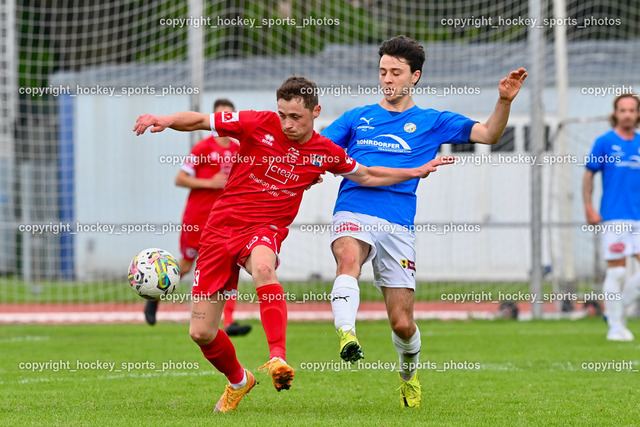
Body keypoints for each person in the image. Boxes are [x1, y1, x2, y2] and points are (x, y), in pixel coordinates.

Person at [133, 75, 454, 413]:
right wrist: (164, 120)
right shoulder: (257, 123)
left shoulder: (324, 152)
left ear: (316, 111)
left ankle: (278, 358)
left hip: (264, 229)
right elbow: (201, 120)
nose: (286, 123)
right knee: (201, 332)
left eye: (295, 117)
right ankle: (239, 381)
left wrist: (416, 170)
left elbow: (369, 175)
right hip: (219, 230)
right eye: (282, 115)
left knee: (262, 267)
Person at [320, 35, 527, 408]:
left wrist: (503, 101)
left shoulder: (433, 121)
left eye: (396, 72)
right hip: (352, 209)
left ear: (414, 76)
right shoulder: (357, 117)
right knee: (347, 260)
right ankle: (347, 335)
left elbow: (488, 134)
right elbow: (320, 150)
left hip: (398, 224)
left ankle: (408, 375)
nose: (387, 78)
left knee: (401, 323)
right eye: (383, 70)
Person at [144, 99, 252, 337]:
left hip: (225, 220)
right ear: (214, 119)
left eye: (229, 116)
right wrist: (209, 183)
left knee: (231, 263)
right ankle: (156, 295)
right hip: (198, 217)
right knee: (186, 264)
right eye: (219, 116)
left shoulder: (238, 150)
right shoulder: (203, 148)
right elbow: (180, 178)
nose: (224, 120)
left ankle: (229, 320)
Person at [583, 93, 640, 342]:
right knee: (616, 273)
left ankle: (617, 312)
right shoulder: (604, 142)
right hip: (614, 217)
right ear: (615, 113)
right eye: (622, 110)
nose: (627, 114)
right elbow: (588, 175)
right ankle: (615, 326)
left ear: (638, 114)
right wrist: (588, 206)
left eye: (632, 110)